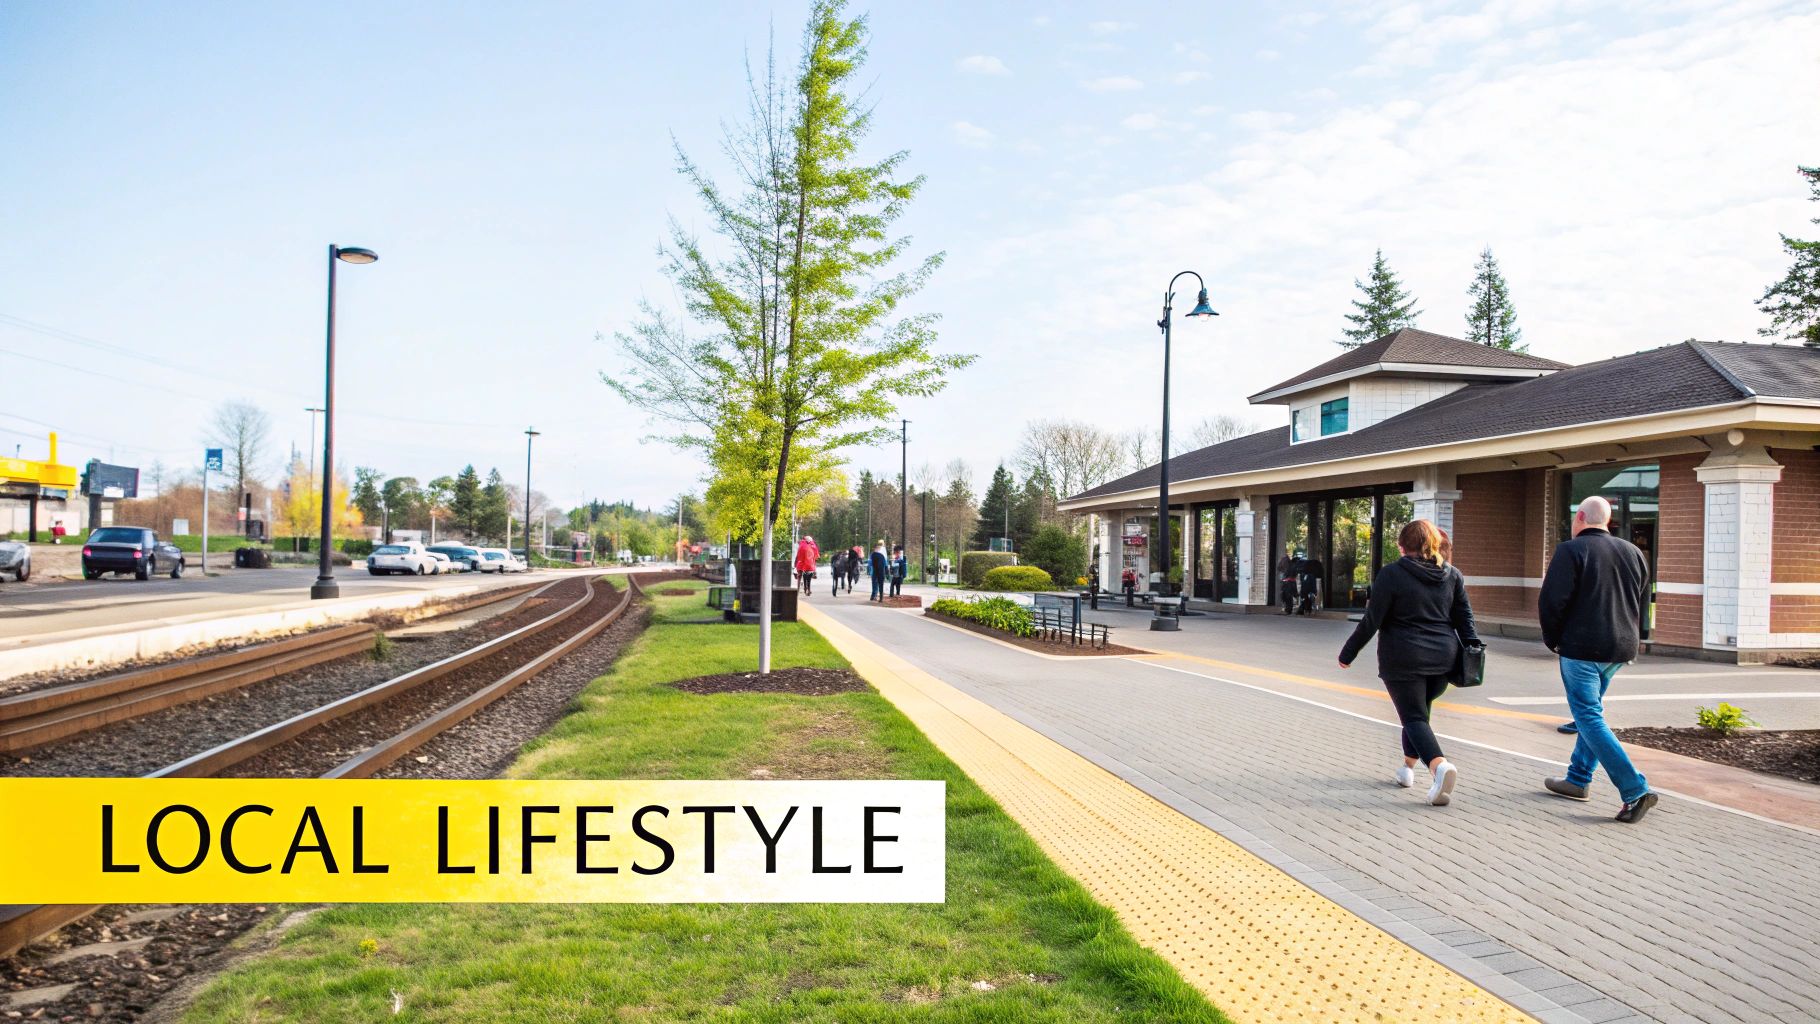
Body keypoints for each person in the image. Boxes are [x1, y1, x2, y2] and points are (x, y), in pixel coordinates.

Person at [1338, 519, 1477, 807]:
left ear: (1401, 546)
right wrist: (1474, 651)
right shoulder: (1452, 575)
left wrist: (1347, 654)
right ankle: (1407, 769)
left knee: (1412, 717)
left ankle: (1439, 767)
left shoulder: (1392, 574)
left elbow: (1372, 620)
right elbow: (1465, 619)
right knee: (1418, 715)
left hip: (1404, 658)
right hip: (1444, 659)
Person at [1538, 495, 1658, 824]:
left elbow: (1552, 601)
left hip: (1582, 648)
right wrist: (1638, 636)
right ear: (1608, 521)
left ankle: (1635, 790)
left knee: (1588, 717)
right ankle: (1578, 779)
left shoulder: (1571, 551)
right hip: (1619, 648)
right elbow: (1642, 598)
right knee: (1592, 715)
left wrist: (1553, 640)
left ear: (1580, 517)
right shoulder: (1634, 552)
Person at [1279, 547, 1302, 615]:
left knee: (1287, 596)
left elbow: (1282, 570)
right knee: (1289, 596)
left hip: (1287, 583)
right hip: (1290, 582)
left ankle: (1288, 609)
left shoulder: (1288, 564)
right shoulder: (1293, 565)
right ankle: (1289, 609)